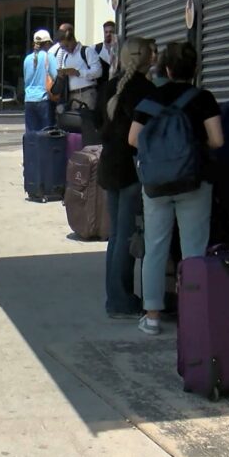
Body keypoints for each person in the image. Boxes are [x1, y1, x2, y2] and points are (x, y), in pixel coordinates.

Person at [128, 42, 224, 335]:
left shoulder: (150, 99)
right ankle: (193, 314)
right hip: (194, 181)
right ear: (194, 69)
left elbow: (133, 139)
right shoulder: (204, 98)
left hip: (156, 183)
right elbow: (217, 140)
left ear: (167, 69)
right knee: (194, 249)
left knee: (155, 248)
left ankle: (152, 317)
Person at [96, 37, 155, 319]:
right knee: (127, 235)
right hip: (132, 167)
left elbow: (98, 123)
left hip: (109, 164)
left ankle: (115, 297)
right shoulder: (147, 91)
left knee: (117, 235)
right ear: (147, 59)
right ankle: (121, 299)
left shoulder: (110, 87)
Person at [55, 24, 103, 111]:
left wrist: (78, 73)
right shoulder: (66, 57)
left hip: (87, 94)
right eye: (63, 47)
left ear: (72, 40)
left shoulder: (87, 51)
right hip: (72, 95)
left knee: (86, 118)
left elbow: (98, 71)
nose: (66, 49)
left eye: (67, 46)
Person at [22, 29, 56, 132]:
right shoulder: (48, 56)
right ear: (47, 43)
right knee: (46, 133)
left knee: (31, 134)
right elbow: (55, 76)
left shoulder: (27, 59)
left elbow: (26, 79)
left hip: (29, 99)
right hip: (44, 99)